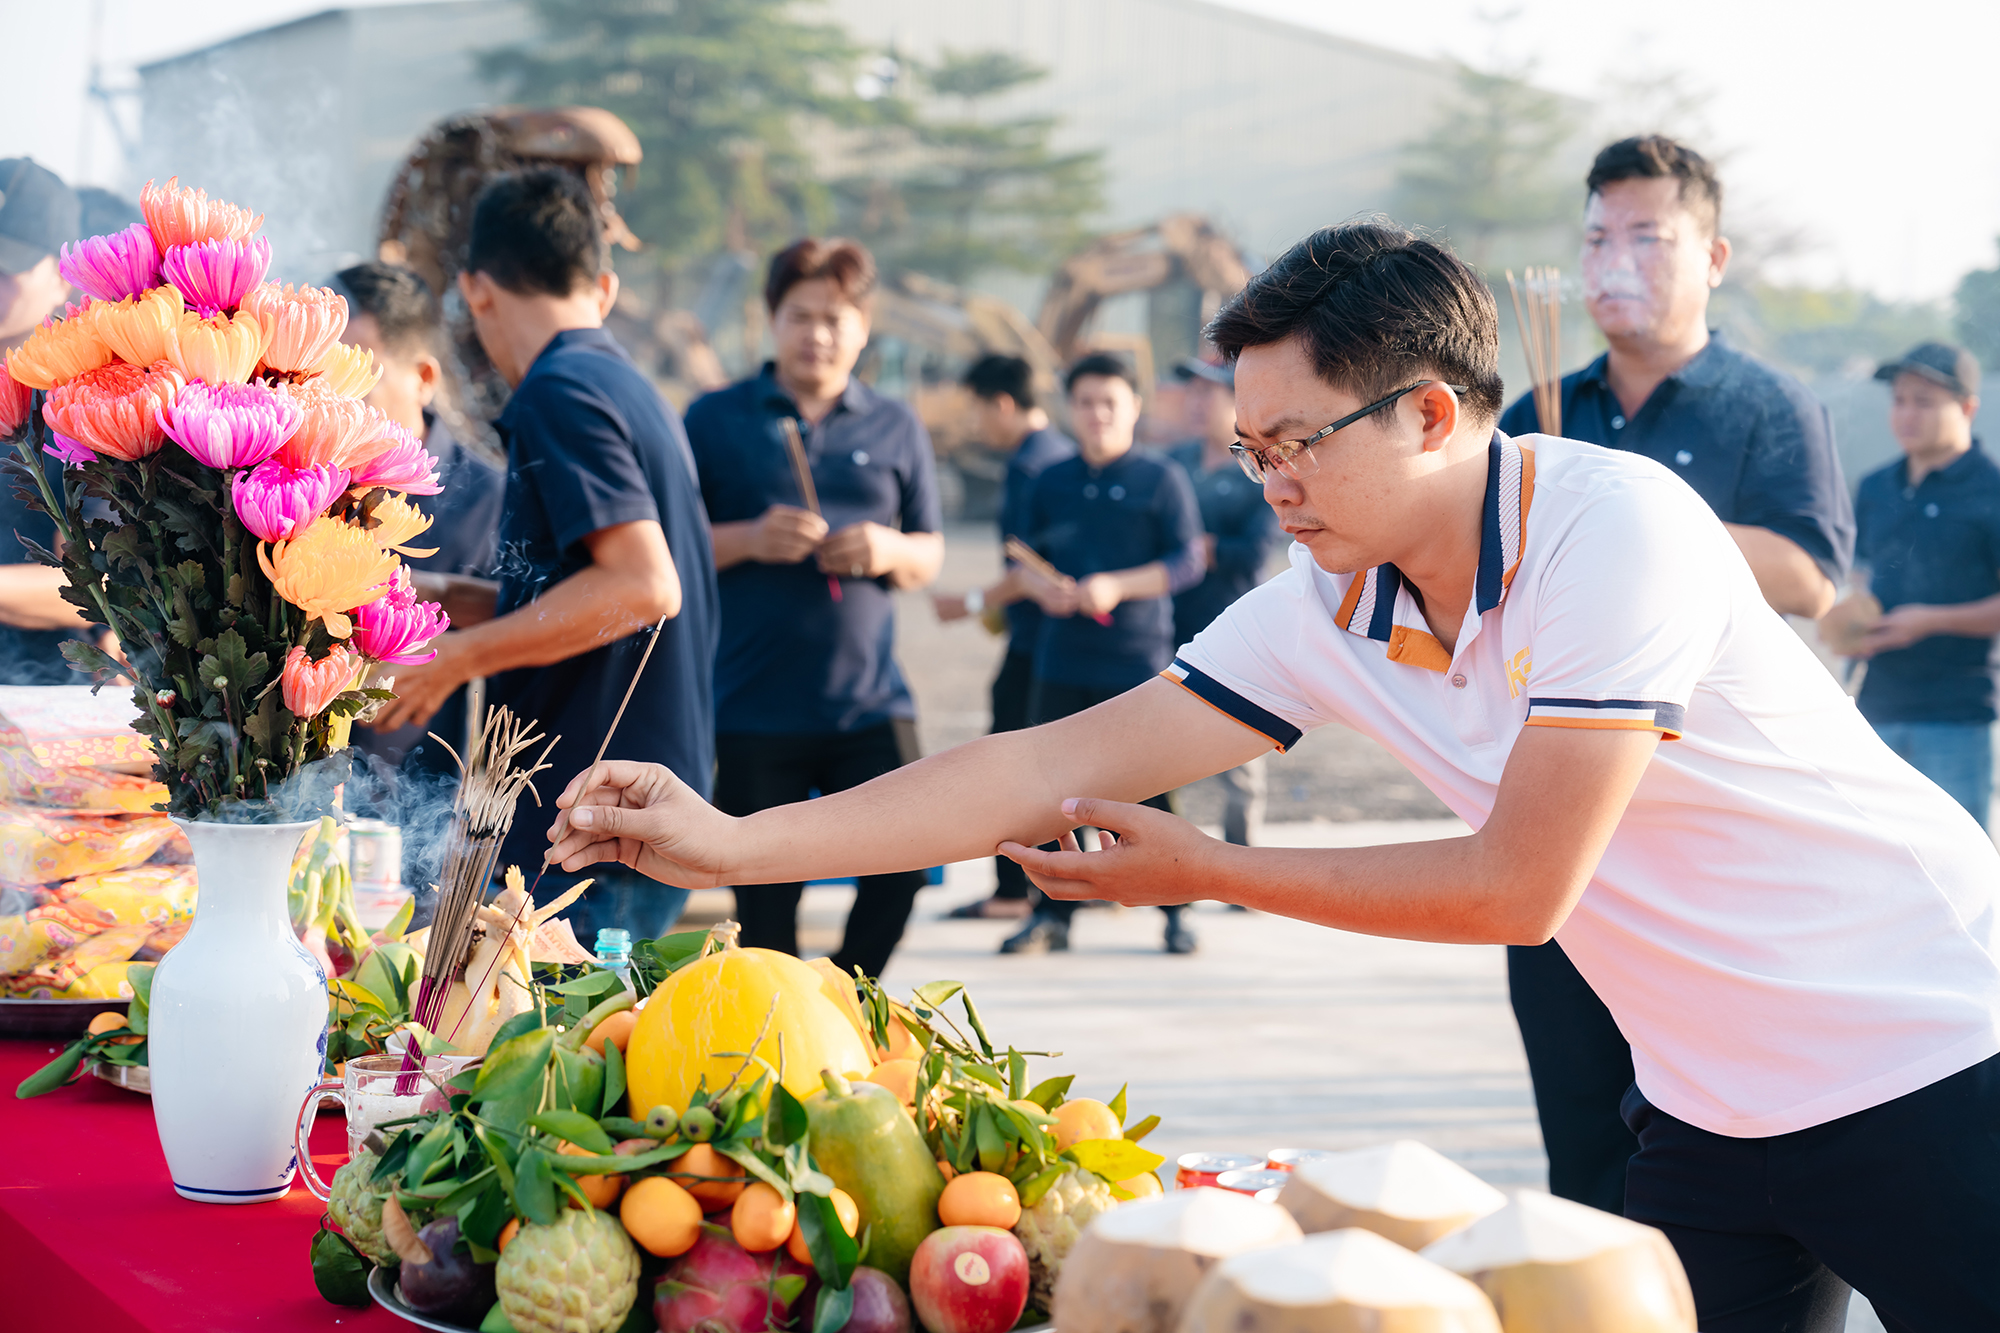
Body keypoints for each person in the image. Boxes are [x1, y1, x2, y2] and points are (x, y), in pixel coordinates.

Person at [548, 220, 2000, 1331]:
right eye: (1252, 453)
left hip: (1921, 1051)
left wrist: (1210, 871)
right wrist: (732, 842)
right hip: (1704, 1102)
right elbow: (1048, 761)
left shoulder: (1611, 533)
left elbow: (1518, 887)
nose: (1275, 485)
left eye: (1299, 443)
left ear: (1430, 414)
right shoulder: (1327, 605)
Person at [1494, 134, 1855, 1217]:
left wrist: (1627, 514)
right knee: (1582, 1133)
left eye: (1648, 236)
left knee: (1719, 1133)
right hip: (1558, 813)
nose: (1615, 259)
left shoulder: (1766, 404)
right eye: (1598, 236)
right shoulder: (1538, 410)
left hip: (1711, 825)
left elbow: (1809, 576)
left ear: (1713, 257)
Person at [370, 169, 717, 946]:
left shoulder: (561, 390)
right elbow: (583, 596)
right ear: (603, 285)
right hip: (629, 812)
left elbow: (643, 586)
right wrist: (443, 595)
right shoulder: (625, 384)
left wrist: (459, 657)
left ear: (476, 289)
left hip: (590, 829)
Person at [683, 237, 944, 979]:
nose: (817, 334)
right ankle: (783, 1022)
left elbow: (928, 553)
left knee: (905, 866)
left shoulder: (894, 424)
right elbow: (669, 545)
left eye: (834, 318)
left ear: (863, 327)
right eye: (800, 316)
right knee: (765, 904)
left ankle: (846, 997)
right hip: (752, 706)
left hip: (870, 703)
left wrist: (885, 549)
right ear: (771, 320)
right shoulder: (715, 418)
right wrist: (749, 538)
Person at [999, 352, 1205, 956]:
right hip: (1060, 659)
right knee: (1050, 794)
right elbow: (1021, 559)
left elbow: (1188, 561)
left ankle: (1176, 909)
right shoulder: (1050, 480)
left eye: (1110, 402)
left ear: (1133, 407)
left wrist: (1118, 586)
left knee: (1150, 788)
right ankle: (1052, 914)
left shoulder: (1161, 478)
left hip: (1136, 661)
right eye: (1086, 402)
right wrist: (1044, 589)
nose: (1098, 414)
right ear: (1070, 408)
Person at [338, 261, 506, 781]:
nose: (336, 405)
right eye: (322, 379)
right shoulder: (297, 483)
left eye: (359, 384)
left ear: (424, 378)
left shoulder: (491, 498)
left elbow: (526, 621)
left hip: (424, 796)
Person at [934, 353, 1076, 920]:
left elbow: (1029, 569)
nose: (975, 424)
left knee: (1010, 767)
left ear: (1002, 404)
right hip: (1049, 640)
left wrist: (970, 602)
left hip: (1039, 645)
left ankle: (1015, 892)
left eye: (977, 410)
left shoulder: (1032, 467)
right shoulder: (1058, 454)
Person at [1837, 342, 1999, 827]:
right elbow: (1862, 575)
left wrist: (1930, 622)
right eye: (1900, 400)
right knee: (1876, 851)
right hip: (1874, 707)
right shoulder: (1875, 487)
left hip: (1954, 714)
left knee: (1957, 853)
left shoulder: (1991, 489)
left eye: (1924, 402)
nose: (1907, 414)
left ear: (1967, 408)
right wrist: (1851, 619)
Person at [1167, 357, 1281, 852]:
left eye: (1208, 392)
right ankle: (1164, 854)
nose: (1196, 402)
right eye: (1192, 391)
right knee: (1158, 749)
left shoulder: (1257, 467)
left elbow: (1255, 551)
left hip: (1233, 628)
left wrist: (1196, 551)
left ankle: (1242, 859)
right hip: (1170, 624)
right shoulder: (1175, 463)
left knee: (1239, 753)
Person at [0, 158, 93, 684]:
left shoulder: (82, 403)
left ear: (63, 278)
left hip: (40, 685)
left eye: (5, 265)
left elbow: (97, 584)